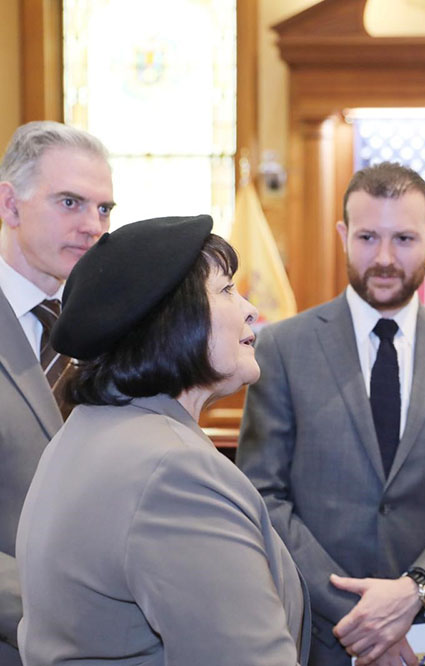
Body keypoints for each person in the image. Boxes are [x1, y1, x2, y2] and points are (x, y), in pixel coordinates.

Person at [237, 162, 425, 666]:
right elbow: (264, 497)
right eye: (368, 237)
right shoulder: (281, 349)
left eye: (405, 239)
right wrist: (361, 616)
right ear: (343, 235)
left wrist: (414, 591)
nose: (385, 258)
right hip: (318, 631)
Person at [16, 215, 310, 665]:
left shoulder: (90, 432)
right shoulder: (173, 472)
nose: (250, 308)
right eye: (227, 290)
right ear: (174, 322)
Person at [0, 121, 114, 663]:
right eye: (70, 202)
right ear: (9, 203)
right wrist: (68, 614)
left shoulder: (116, 333)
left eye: (104, 209)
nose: (92, 226)